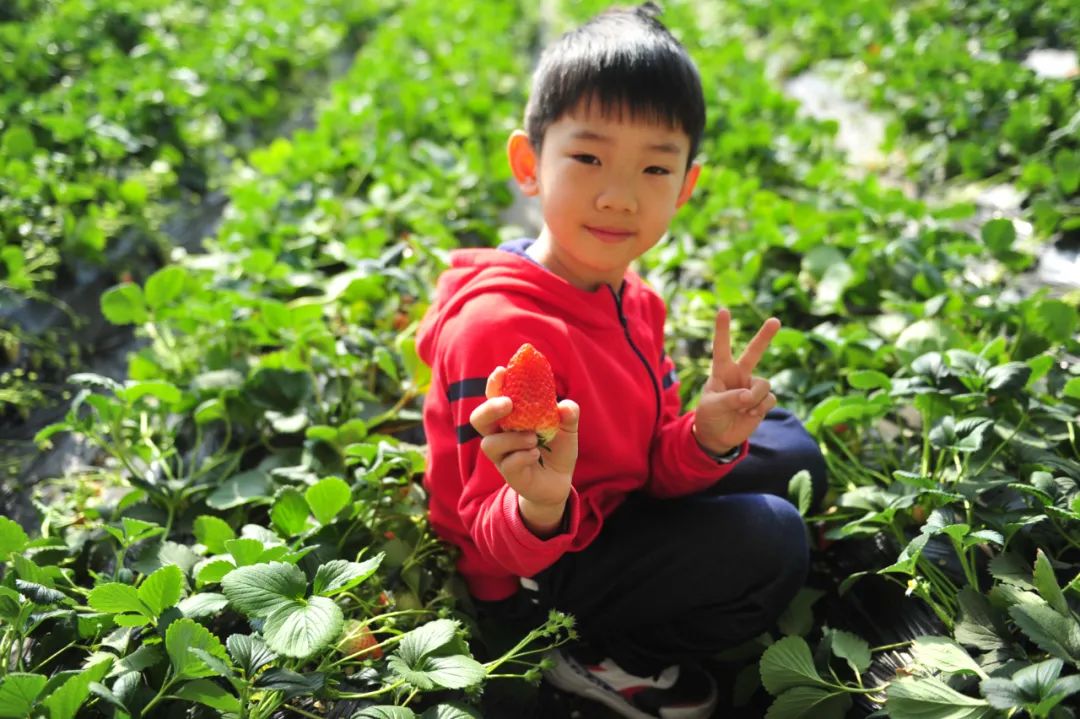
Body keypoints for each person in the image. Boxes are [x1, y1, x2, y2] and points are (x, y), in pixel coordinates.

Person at [416, 3, 827, 717]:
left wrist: (703, 437)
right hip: (541, 560)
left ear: (685, 187)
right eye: (588, 157)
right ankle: (598, 657)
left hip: (610, 493)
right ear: (528, 165)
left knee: (790, 447)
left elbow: (647, 458)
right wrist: (539, 505)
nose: (618, 195)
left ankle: (708, 503)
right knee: (772, 538)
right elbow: (490, 529)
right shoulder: (502, 332)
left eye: (654, 167)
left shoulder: (631, 296)